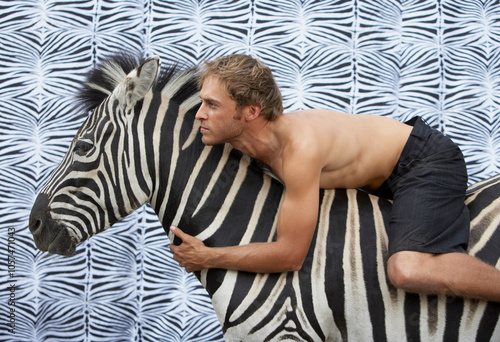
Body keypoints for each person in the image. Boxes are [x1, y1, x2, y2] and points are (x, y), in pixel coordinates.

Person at [169, 53, 500, 302]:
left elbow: (289, 255)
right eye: (202, 103)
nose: (200, 113)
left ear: (251, 112)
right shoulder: (250, 139)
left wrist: (208, 257)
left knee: (407, 270)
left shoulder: (299, 150)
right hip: (382, 173)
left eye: (212, 105)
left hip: (423, 160)